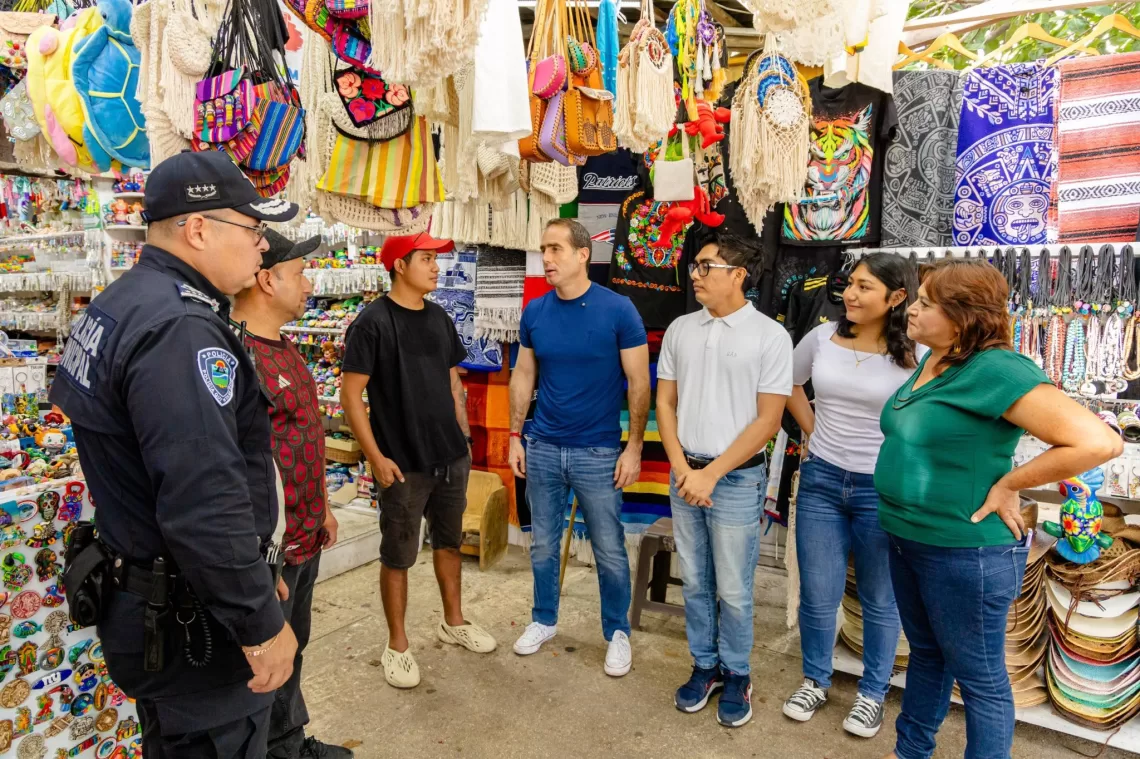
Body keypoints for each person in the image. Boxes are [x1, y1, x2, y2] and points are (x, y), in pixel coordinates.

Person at [51, 150, 302, 758]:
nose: (262, 247)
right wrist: (258, 620)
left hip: (155, 597)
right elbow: (202, 500)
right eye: (252, 230)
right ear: (197, 229)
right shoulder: (182, 329)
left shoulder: (122, 303)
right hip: (193, 626)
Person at [876, 259, 1123, 759]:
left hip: (964, 554)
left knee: (981, 680)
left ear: (963, 317)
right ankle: (910, 751)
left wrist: (1011, 482)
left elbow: (1098, 441)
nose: (913, 308)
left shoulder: (997, 368)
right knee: (926, 655)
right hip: (909, 539)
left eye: (926, 302)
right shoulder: (934, 358)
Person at [341, 232, 496, 690]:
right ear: (399, 266)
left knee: (449, 542)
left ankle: (454, 621)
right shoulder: (371, 323)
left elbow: (453, 383)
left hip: (450, 456)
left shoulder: (439, 318)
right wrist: (375, 457)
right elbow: (352, 398)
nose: (436, 267)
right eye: (426, 258)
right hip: (402, 462)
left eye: (436, 259)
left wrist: (464, 438)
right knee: (399, 554)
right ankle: (398, 645)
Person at [656, 232, 792, 728]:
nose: (695, 274)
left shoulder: (769, 336)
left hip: (733, 480)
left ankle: (737, 673)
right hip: (684, 472)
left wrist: (709, 475)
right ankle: (705, 666)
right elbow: (665, 403)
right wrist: (682, 469)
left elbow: (768, 421)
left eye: (706, 265)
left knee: (733, 587)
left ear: (739, 275)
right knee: (695, 581)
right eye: (694, 265)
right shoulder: (680, 329)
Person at [781, 253, 918, 737]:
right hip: (820, 480)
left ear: (897, 297)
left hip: (881, 489)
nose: (851, 295)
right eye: (850, 285)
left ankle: (873, 693)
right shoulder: (822, 337)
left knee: (881, 598)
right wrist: (813, 429)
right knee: (818, 595)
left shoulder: (917, 352)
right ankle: (815, 679)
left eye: (864, 287)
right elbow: (789, 383)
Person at [508, 218, 651, 677]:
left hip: (598, 451)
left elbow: (639, 383)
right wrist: (515, 435)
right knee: (544, 545)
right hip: (544, 445)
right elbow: (524, 375)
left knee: (609, 548)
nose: (546, 258)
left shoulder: (619, 310)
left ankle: (617, 633)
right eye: (543, 249)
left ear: (583, 254)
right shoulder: (535, 312)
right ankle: (544, 619)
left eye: (555, 249)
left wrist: (633, 449)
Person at [230, 230, 352, 759]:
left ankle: (287, 744)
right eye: (300, 272)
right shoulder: (234, 354)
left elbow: (303, 437)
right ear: (266, 278)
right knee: (257, 664)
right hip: (267, 551)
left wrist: (322, 505)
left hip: (303, 536)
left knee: (292, 648)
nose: (310, 283)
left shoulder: (285, 348)